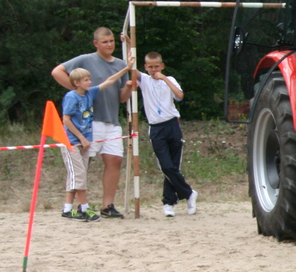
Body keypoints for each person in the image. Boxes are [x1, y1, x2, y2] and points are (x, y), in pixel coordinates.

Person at [52, 27, 138, 218]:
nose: (109, 45)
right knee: (83, 163)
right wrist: (79, 94)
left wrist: (130, 87)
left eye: (112, 41)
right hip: (89, 122)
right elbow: (57, 71)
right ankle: (75, 205)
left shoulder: (120, 64)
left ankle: (107, 205)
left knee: (114, 159)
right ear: (96, 43)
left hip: (112, 119)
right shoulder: (86, 59)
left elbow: (122, 97)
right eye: (105, 41)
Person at [60, 60, 133, 221]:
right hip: (72, 142)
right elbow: (66, 120)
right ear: (76, 82)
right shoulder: (72, 96)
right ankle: (84, 208)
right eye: (86, 80)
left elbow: (109, 81)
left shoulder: (90, 93)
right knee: (78, 174)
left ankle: (67, 209)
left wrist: (126, 69)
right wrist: (81, 138)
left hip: (83, 142)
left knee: (78, 175)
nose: (90, 82)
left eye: (90, 79)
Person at [137, 51, 197, 217]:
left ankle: (168, 201)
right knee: (165, 166)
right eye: (150, 67)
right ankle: (189, 193)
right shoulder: (144, 80)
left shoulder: (169, 80)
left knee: (174, 165)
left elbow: (179, 96)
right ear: (146, 67)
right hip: (156, 127)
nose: (154, 70)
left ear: (162, 66)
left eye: (157, 66)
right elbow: (130, 68)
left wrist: (163, 78)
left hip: (172, 124)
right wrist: (127, 42)